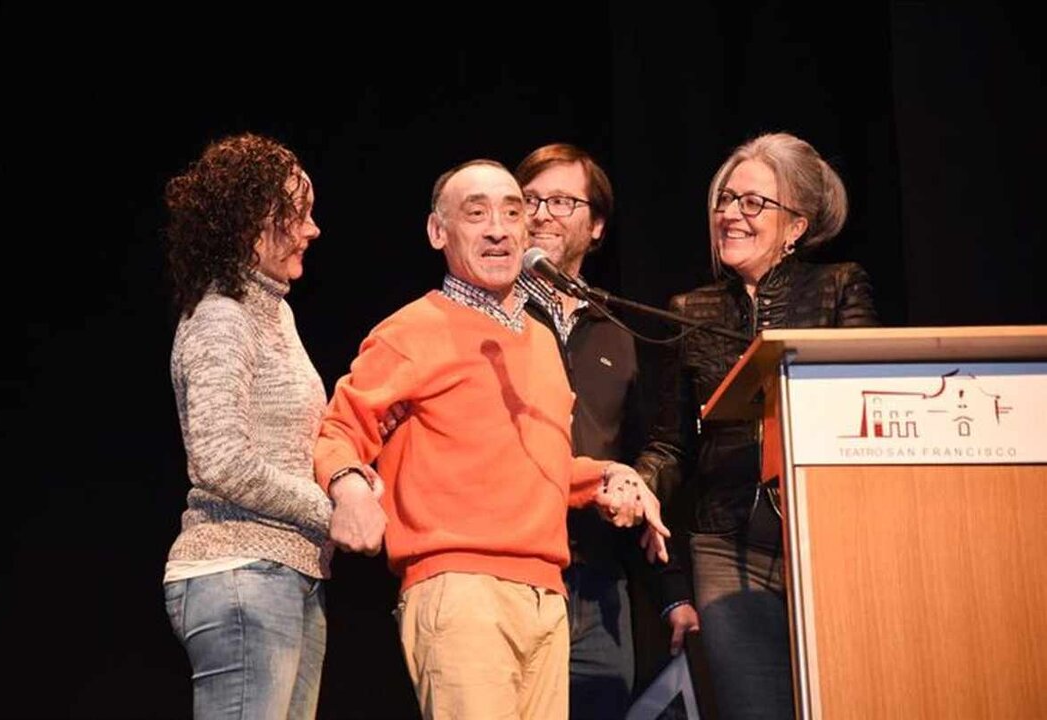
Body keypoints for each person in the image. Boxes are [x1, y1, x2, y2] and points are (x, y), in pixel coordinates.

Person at [313, 158, 670, 720]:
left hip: (548, 594)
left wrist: (604, 476)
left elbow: (538, 456)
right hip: (462, 588)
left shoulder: (539, 341)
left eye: (511, 212)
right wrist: (349, 486)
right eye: (475, 214)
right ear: (439, 232)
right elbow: (340, 428)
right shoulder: (413, 330)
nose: (498, 228)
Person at [635, 131, 879, 720]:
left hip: (830, 541)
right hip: (727, 549)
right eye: (724, 200)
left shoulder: (839, 287)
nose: (730, 215)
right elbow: (672, 445)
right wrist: (639, 485)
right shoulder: (689, 311)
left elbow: (864, 408)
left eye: (752, 203)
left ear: (796, 226)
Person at [162, 132, 375, 719]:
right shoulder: (220, 317)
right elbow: (220, 459)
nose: (313, 230)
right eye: (297, 216)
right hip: (239, 574)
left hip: (292, 573)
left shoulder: (275, 312)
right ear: (250, 226)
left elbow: (302, 440)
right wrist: (329, 512)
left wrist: (357, 484)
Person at [515, 143, 699, 719]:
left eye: (562, 201)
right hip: (511, 576)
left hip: (598, 586)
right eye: (530, 200)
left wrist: (672, 590)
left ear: (596, 226)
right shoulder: (490, 320)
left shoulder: (621, 332)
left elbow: (649, 455)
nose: (541, 213)